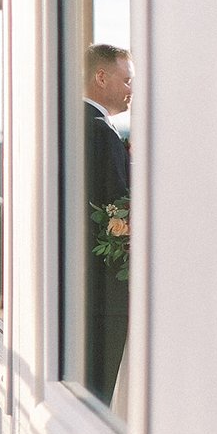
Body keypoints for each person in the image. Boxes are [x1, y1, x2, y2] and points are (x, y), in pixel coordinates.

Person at [83, 44, 133, 408]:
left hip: (83, 289)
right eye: (127, 79)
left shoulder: (74, 125)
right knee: (98, 394)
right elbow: (118, 209)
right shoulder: (101, 132)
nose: (131, 89)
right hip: (105, 292)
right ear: (101, 77)